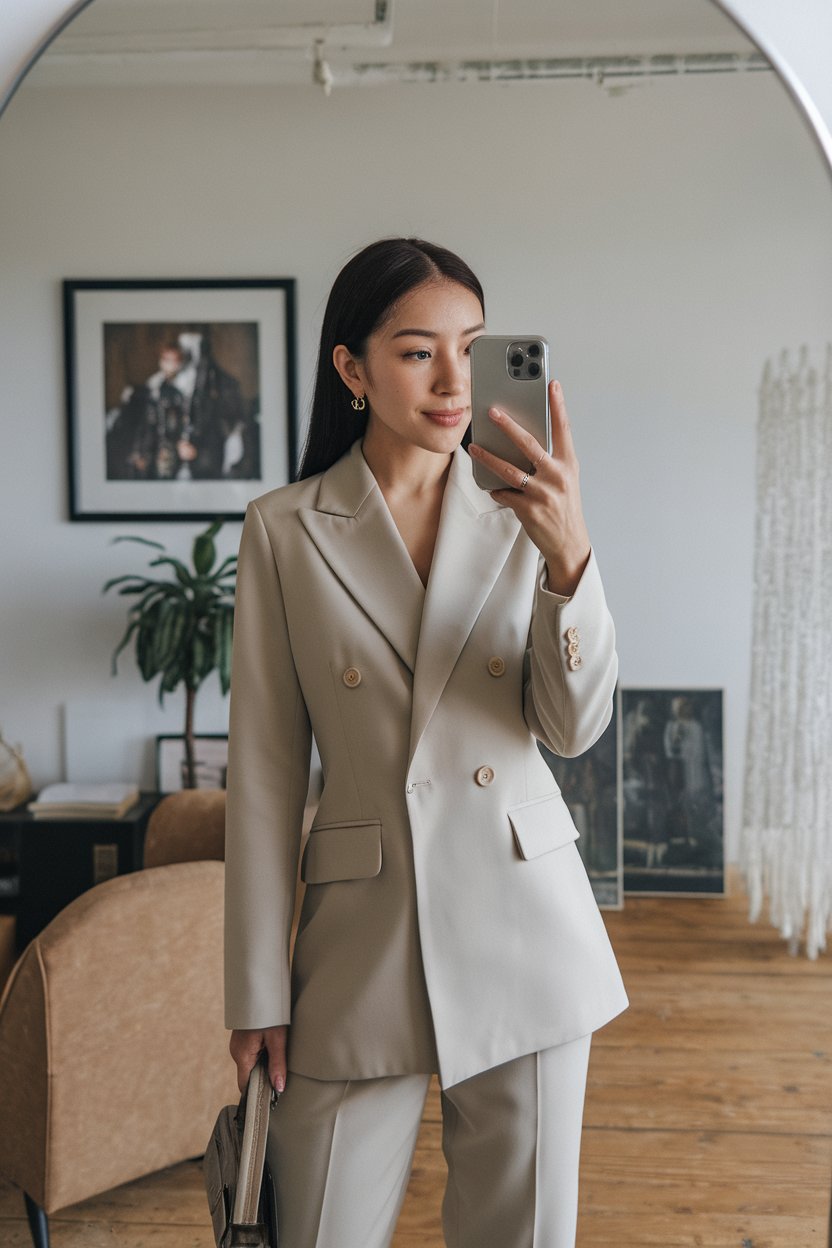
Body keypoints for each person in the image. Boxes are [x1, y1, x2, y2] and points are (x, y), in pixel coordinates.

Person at [224, 237, 627, 1248]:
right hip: (360, 943)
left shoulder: (526, 514)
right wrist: (256, 991)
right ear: (351, 369)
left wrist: (570, 558)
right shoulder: (284, 529)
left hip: (525, 927)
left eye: (473, 348)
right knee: (317, 1228)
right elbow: (267, 776)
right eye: (416, 353)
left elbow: (572, 729)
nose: (454, 382)